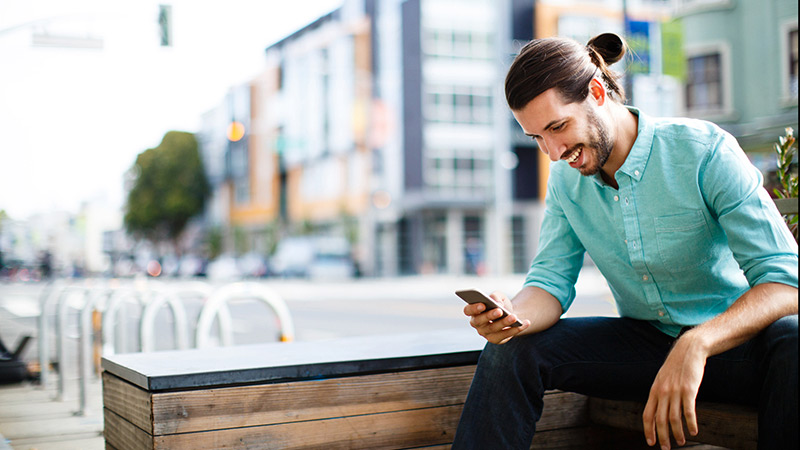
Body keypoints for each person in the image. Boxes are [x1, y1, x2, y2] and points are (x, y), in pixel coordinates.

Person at [452, 33, 798, 450]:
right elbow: (549, 282)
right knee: (512, 351)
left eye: (558, 127)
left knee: (794, 337)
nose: (554, 152)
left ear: (597, 92)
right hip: (644, 350)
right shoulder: (566, 181)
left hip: (736, 352)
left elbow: (786, 280)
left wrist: (697, 342)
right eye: (537, 138)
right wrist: (511, 315)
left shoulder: (704, 152)